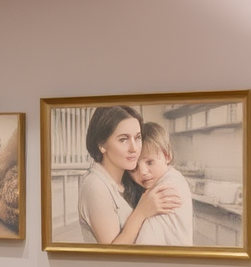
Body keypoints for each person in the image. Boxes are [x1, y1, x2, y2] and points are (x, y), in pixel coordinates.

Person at [77, 105, 182, 244]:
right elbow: (112, 254)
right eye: (123, 139)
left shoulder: (127, 179)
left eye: (137, 138)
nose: (134, 148)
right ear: (102, 144)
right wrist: (141, 212)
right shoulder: (95, 186)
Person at [129, 122, 194, 245]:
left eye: (149, 162)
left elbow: (146, 243)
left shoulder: (166, 190)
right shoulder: (172, 177)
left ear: (167, 156)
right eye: (134, 167)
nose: (142, 172)